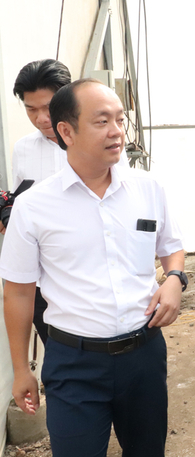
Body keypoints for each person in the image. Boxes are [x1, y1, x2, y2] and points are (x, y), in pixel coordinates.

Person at [1, 79, 185, 457]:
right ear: (66, 131)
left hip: (144, 355)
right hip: (74, 363)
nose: (117, 131)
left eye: (120, 119)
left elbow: (173, 248)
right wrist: (22, 369)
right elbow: (18, 290)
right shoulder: (33, 206)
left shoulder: (148, 189)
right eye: (102, 121)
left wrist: (175, 279)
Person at [9, 59, 129, 344]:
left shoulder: (103, 145)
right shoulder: (23, 149)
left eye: (47, 108)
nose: (41, 118)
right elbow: (22, 206)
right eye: (30, 109)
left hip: (89, 280)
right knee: (58, 359)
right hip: (41, 282)